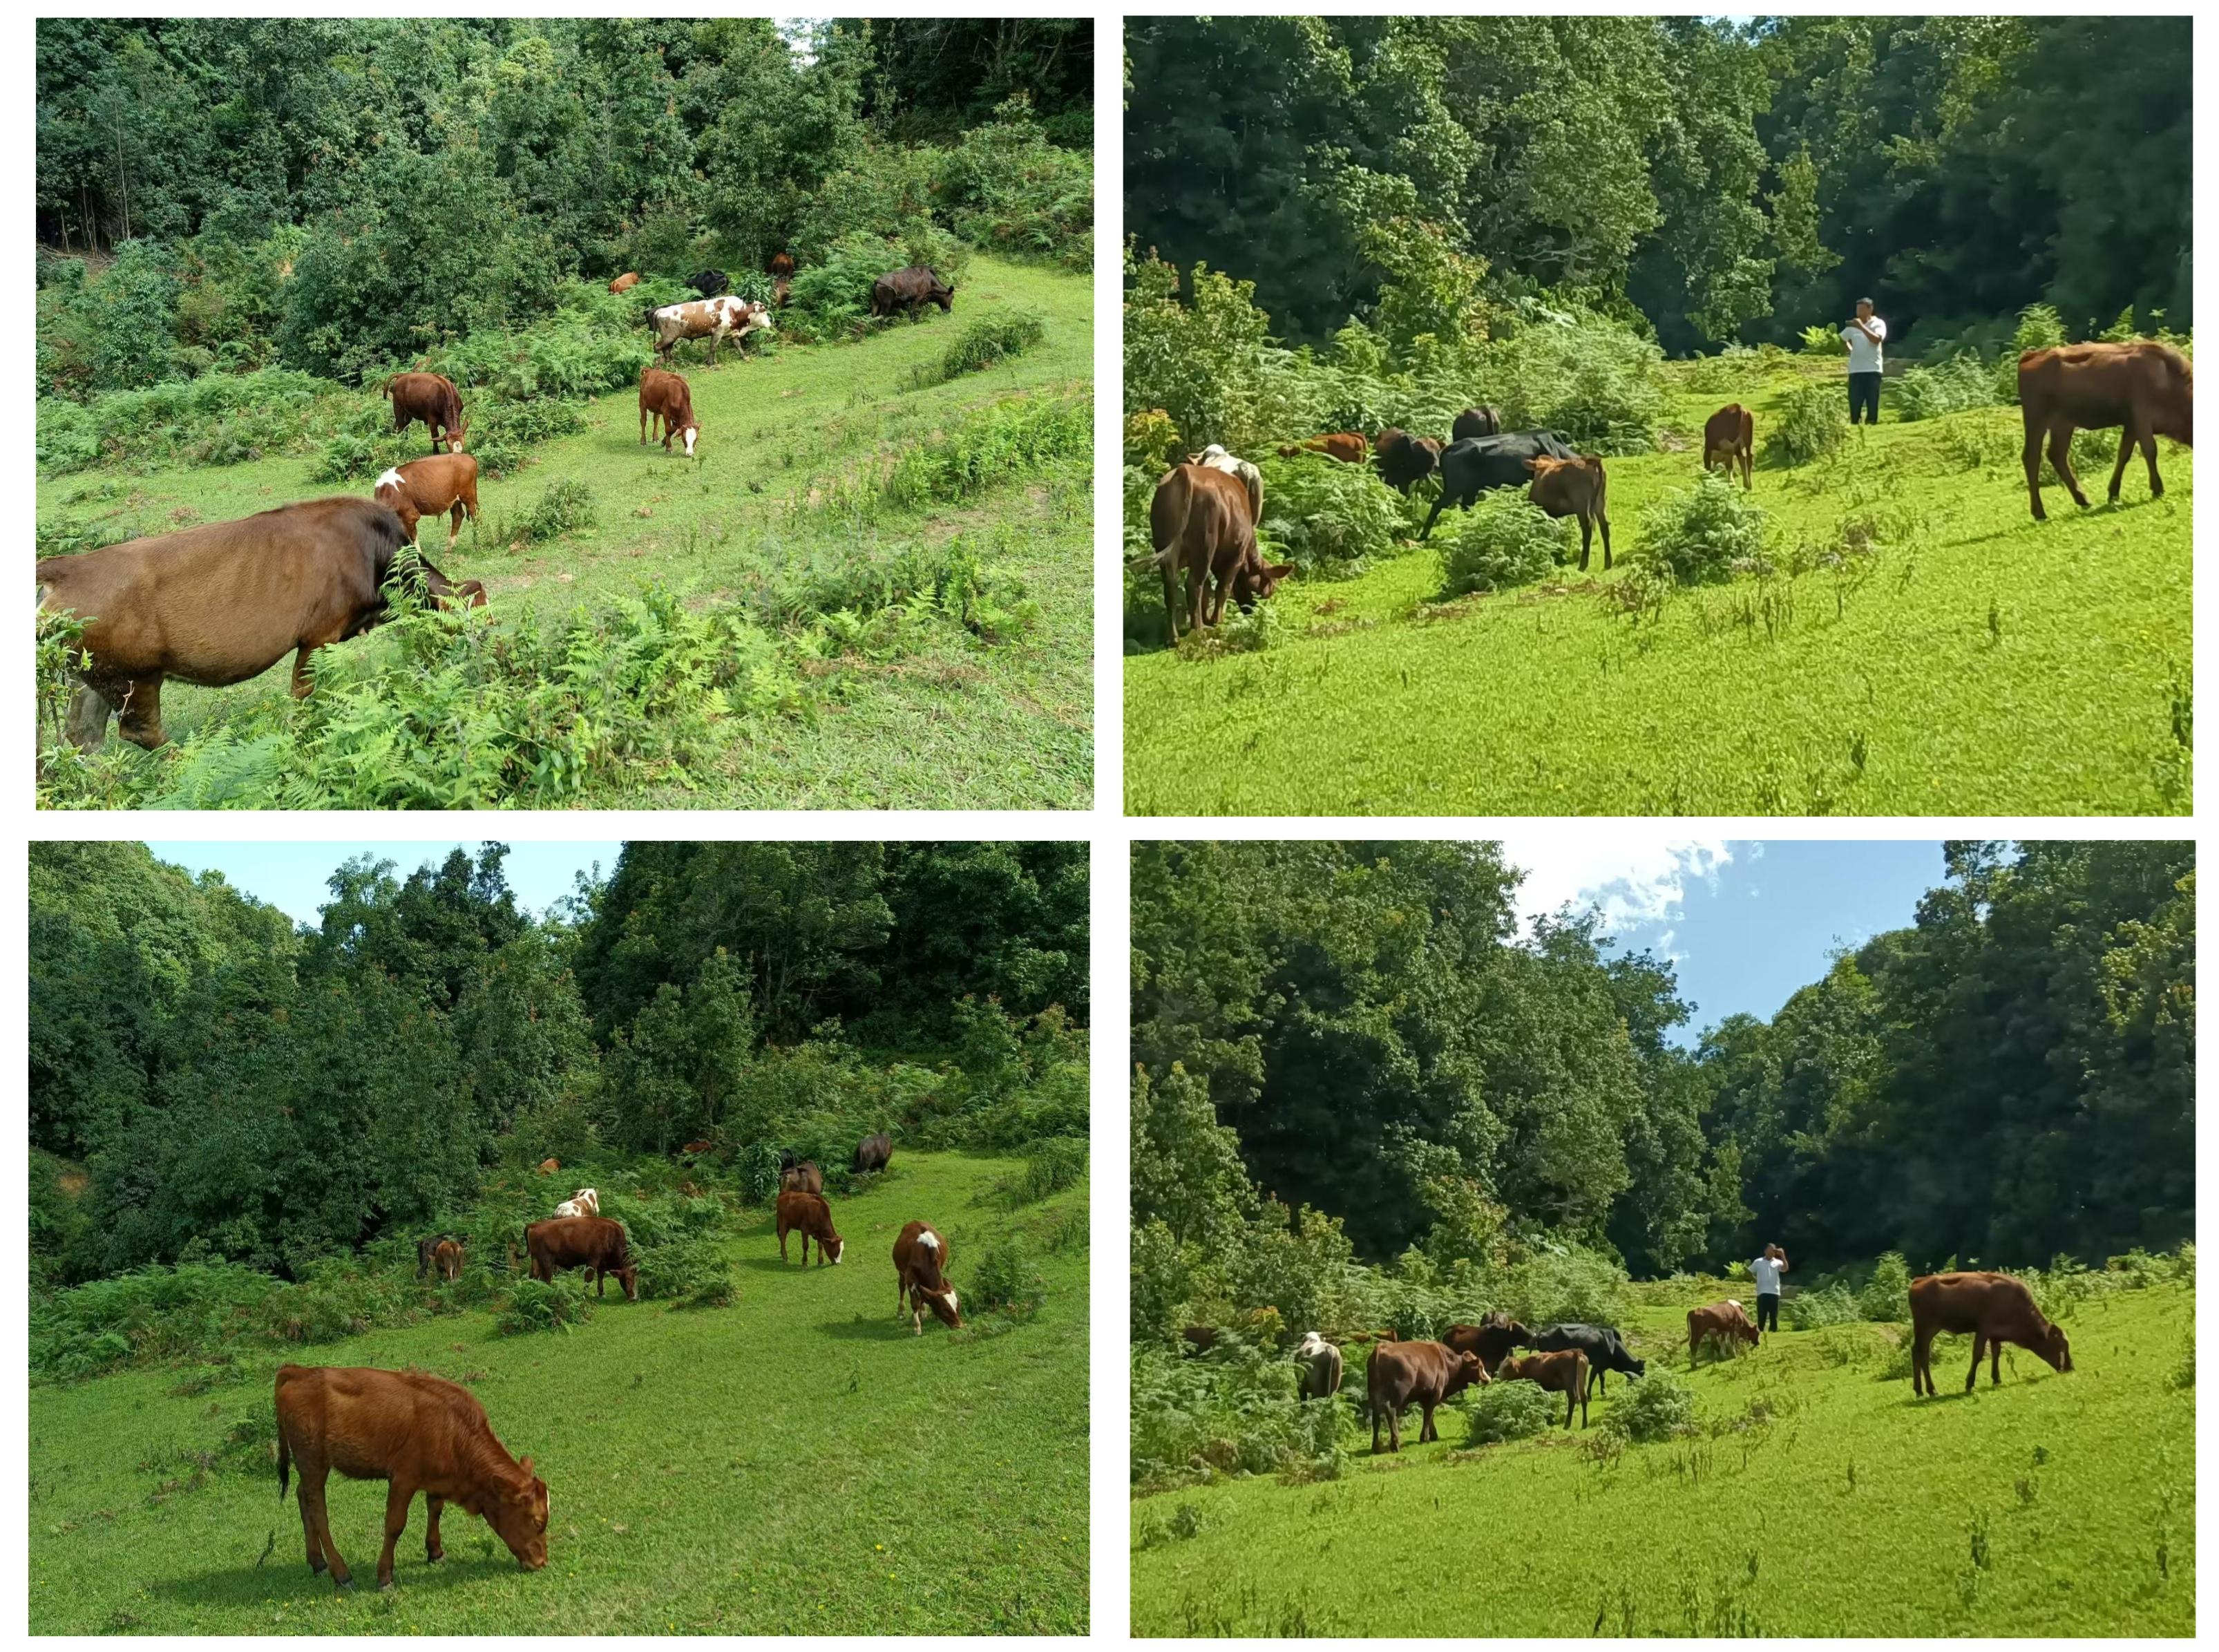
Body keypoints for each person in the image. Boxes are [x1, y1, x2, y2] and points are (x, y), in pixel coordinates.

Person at [1841, 298, 1886, 425]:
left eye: (1861, 309)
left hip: (1873, 369)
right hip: (1856, 370)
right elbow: (1842, 339)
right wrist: (1850, 350)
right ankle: (1855, 423)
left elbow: (1877, 339)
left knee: (1872, 400)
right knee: (1854, 401)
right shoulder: (1852, 326)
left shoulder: (1878, 324)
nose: (1858, 312)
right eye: (1857, 309)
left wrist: (1861, 327)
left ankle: (1871, 424)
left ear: (1870, 309)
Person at [1750, 1243, 1789, 1336]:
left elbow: (1785, 1269)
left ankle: (1773, 1333)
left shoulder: (1778, 1262)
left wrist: (1783, 1255)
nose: (1772, 1252)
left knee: (1773, 1315)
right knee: (1762, 1315)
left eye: (1774, 1250)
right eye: (1771, 1249)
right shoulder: (1758, 1262)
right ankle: (1760, 1332)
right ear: (1765, 1251)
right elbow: (1749, 1272)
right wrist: (1754, 1279)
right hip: (1762, 1292)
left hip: (1774, 1291)